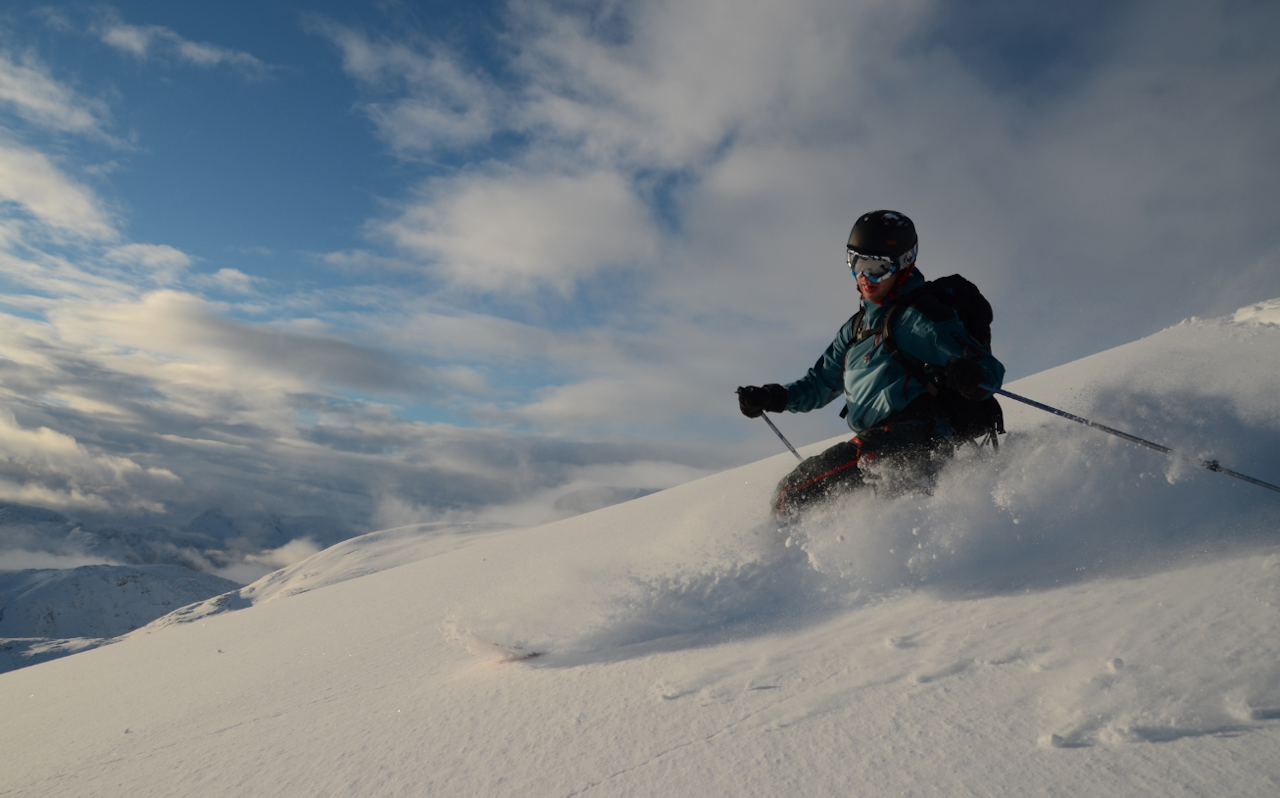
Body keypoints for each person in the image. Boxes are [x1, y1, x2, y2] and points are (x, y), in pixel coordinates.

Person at [737, 210, 1005, 520]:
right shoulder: (855, 331)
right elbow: (819, 384)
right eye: (857, 264)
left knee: (792, 493)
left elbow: (987, 368)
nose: (866, 277)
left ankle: (777, 562)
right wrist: (773, 397)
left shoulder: (919, 317)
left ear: (904, 263)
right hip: (878, 440)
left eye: (878, 267)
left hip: (915, 437)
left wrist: (972, 376)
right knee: (819, 504)